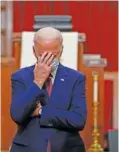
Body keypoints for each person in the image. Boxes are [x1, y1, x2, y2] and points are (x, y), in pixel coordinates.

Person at [10, 27, 87, 152]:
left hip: (66, 148)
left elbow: (78, 120)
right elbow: (17, 115)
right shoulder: (20, 77)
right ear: (34, 51)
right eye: (42, 55)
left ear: (61, 50)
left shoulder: (75, 78)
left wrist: (42, 112)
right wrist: (38, 81)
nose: (48, 59)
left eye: (53, 55)